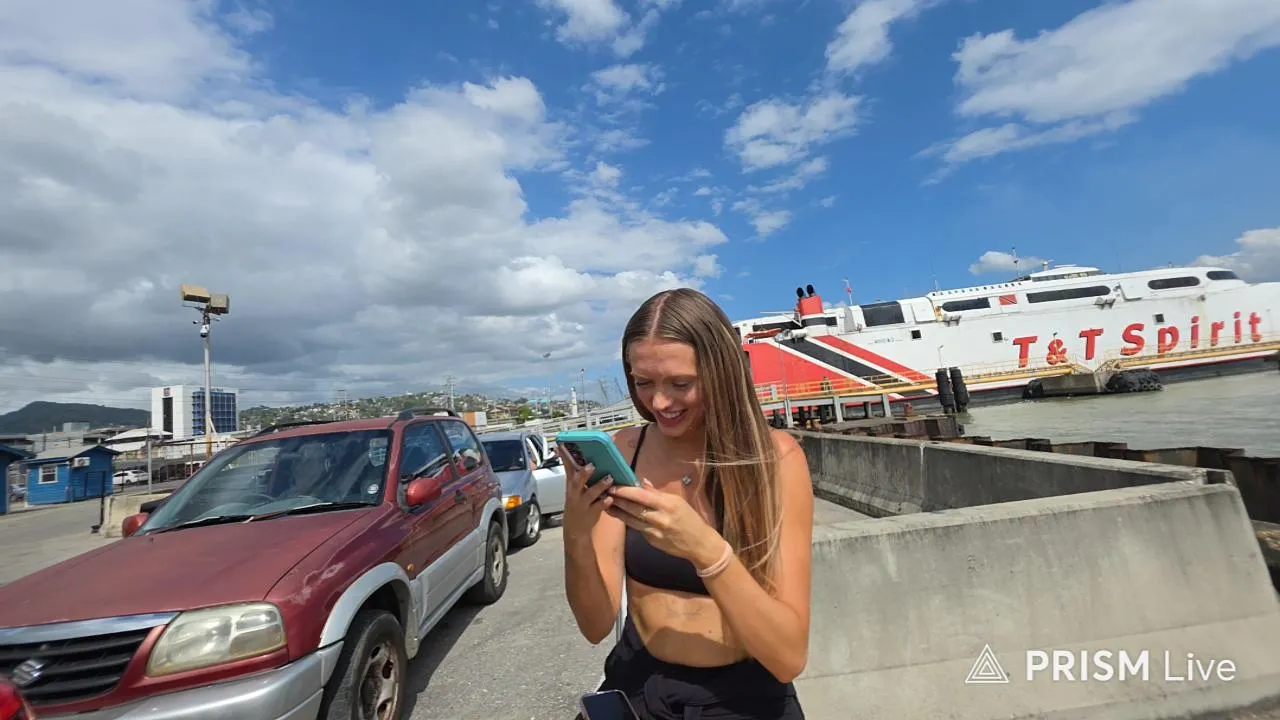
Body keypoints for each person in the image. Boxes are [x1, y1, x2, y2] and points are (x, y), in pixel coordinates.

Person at [560, 288, 814, 719]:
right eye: (643, 383)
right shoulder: (627, 449)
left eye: (681, 384)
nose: (659, 402)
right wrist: (577, 536)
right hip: (638, 686)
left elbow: (788, 657)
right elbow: (595, 625)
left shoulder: (775, 460)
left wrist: (705, 550)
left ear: (721, 373)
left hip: (743, 700)